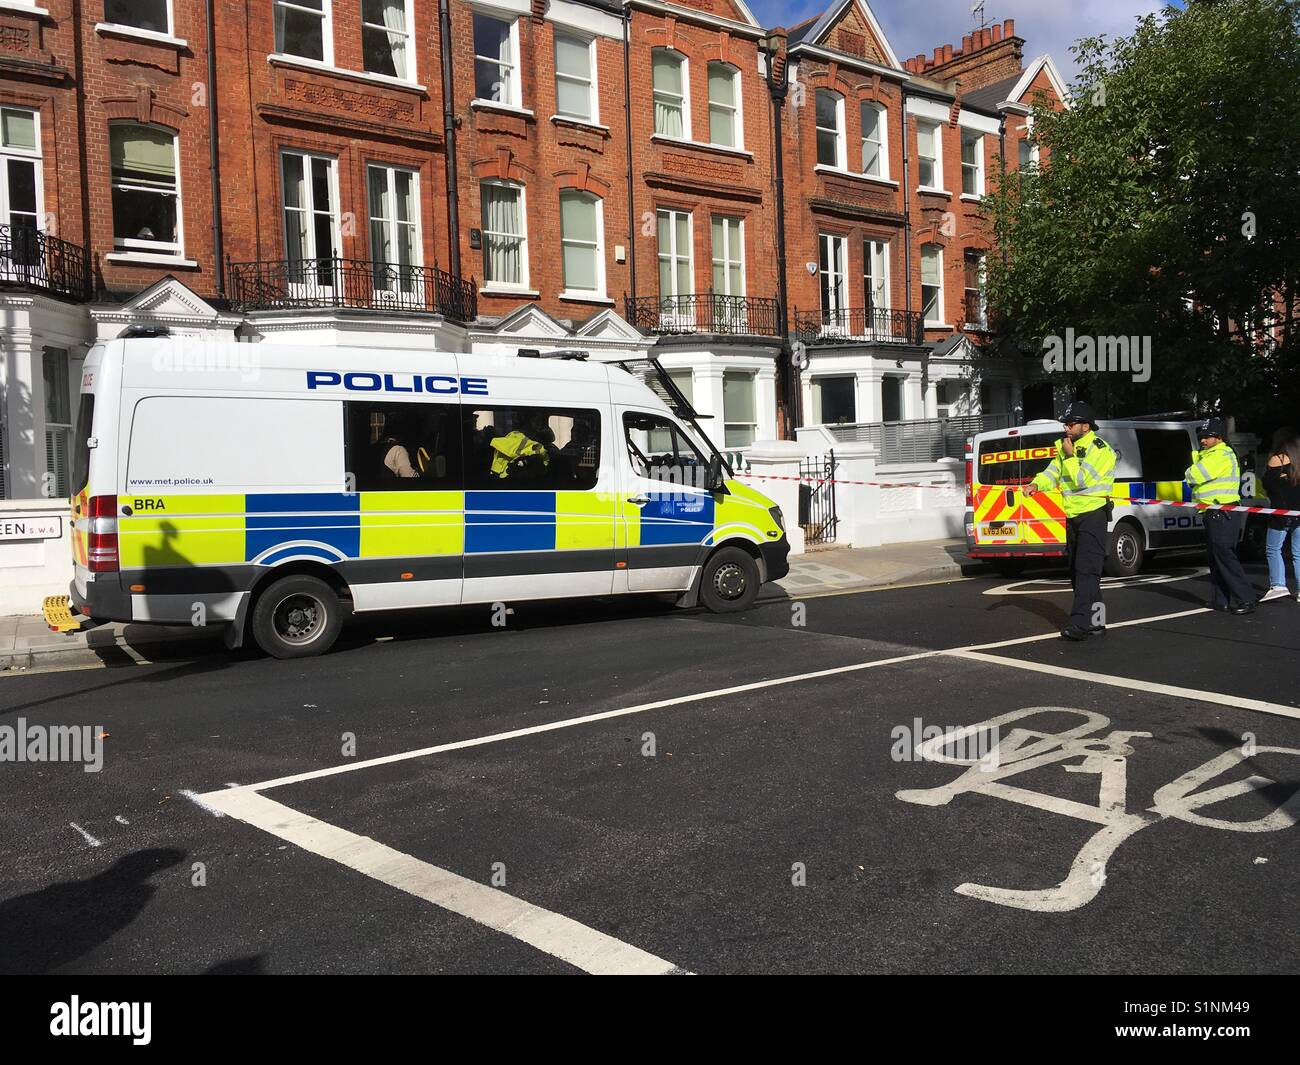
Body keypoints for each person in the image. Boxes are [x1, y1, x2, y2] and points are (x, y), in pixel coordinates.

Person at [1024, 400, 1116, 641]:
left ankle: (1079, 624)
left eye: (1071, 423)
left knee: (1086, 571)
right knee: (1079, 573)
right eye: (1065, 423)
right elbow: (1053, 473)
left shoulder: (1100, 449)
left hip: (1093, 515)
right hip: (1073, 515)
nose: (1066, 427)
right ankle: (1097, 622)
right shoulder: (1064, 447)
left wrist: (1070, 456)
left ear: (1085, 426)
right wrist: (1036, 484)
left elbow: (1081, 480)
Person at [1186, 417, 1255, 614]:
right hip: (1214, 511)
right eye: (1202, 437)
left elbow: (1195, 475)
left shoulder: (1221, 454)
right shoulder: (1212, 454)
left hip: (1222, 511)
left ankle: (1246, 599)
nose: (1203, 440)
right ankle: (1220, 599)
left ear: (1219, 437)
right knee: (1216, 557)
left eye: (1207, 437)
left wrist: (1192, 470)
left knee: (1225, 555)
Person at [1261, 427, 1300, 603]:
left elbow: (1267, 483)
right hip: (1299, 512)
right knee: (1298, 552)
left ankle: (1278, 585)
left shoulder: (1278, 459)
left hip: (1281, 512)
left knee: (1273, 548)